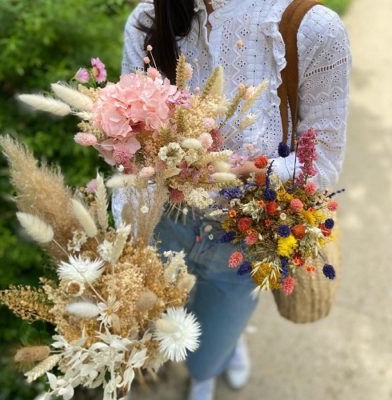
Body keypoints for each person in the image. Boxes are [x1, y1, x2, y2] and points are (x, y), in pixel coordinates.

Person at [112, 0, 351, 399]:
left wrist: (241, 170)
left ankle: (210, 370)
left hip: (244, 237)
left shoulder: (311, 29)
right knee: (169, 324)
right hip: (164, 224)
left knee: (209, 348)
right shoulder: (150, 18)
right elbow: (128, 144)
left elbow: (322, 165)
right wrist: (125, 224)